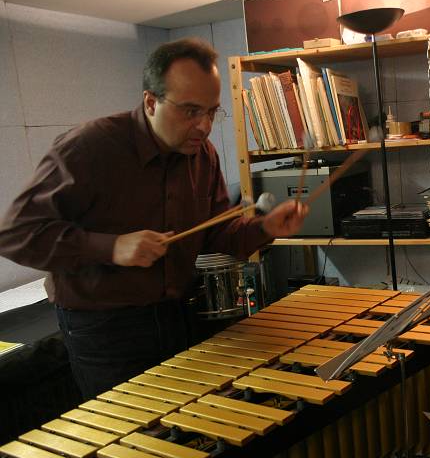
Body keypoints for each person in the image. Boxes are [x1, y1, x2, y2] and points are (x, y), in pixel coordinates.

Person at [0, 37, 308, 400]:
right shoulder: (89, 148)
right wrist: (112, 247)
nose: (205, 126)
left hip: (177, 314)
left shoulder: (202, 156)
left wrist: (264, 228)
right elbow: (17, 234)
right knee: (128, 446)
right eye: (191, 111)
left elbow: (216, 233)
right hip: (105, 330)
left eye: (212, 112)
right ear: (151, 102)